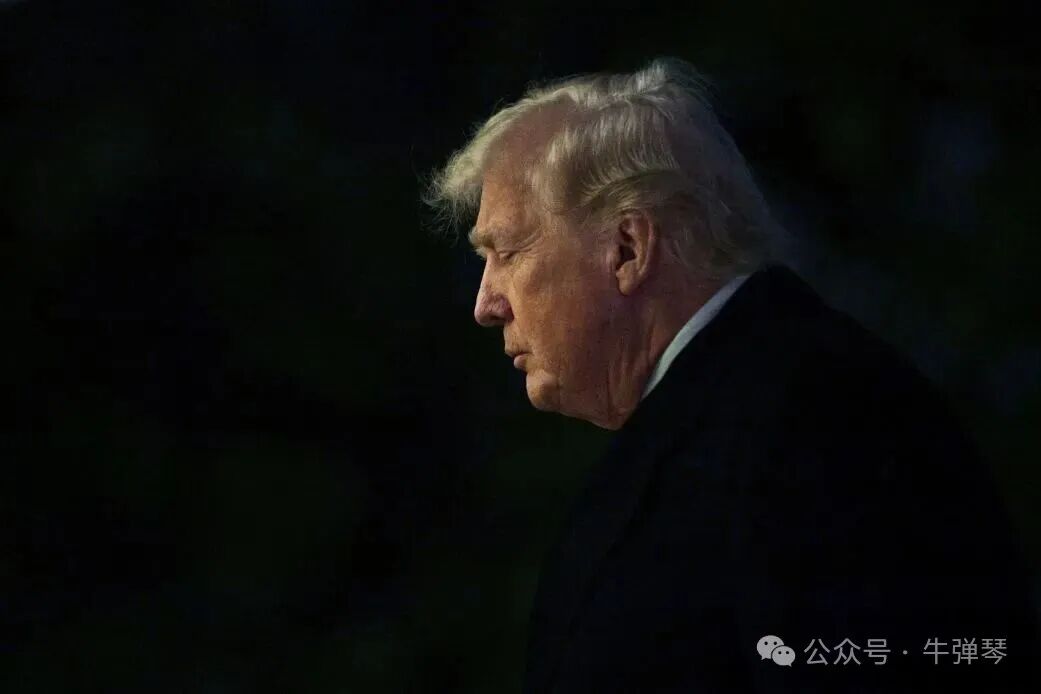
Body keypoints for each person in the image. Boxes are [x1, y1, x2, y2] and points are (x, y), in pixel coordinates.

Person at [423, 57, 1039, 692]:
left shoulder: (817, 420)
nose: (485, 304)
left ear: (628, 249)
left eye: (508, 252)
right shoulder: (761, 410)